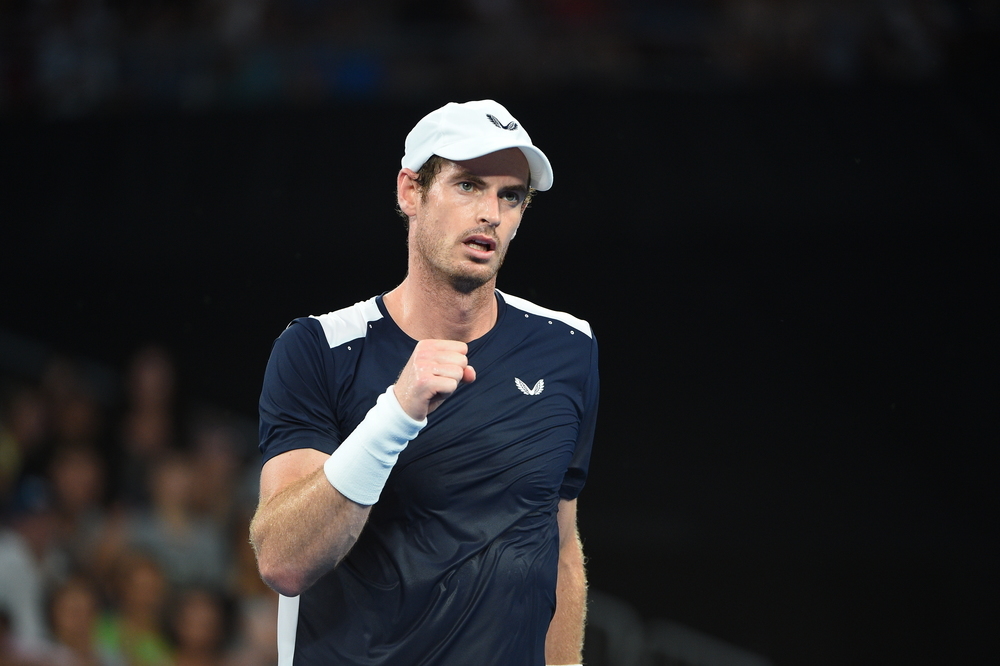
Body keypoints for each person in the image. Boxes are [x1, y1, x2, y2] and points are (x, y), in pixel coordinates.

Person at [250, 99, 599, 666]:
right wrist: (396, 412)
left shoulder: (569, 348)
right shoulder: (318, 348)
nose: (491, 212)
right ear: (410, 191)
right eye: (468, 185)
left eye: (510, 196)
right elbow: (284, 561)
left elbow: (559, 551)